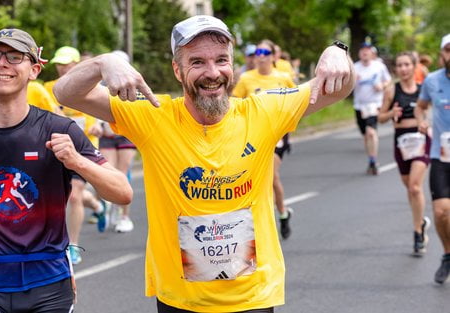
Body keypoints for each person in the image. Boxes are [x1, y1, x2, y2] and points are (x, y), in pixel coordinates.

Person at [53, 15, 354, 312]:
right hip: (181, 301)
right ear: (177, 70)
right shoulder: (153, 117)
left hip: (252, 298)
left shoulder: (263, 111)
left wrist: (338, 52)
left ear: (232, 65)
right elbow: (66, 93)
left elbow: (339, 88)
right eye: (197, 62)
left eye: (221, 60)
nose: (212, 72)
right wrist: (101, 63)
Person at [0, 28, 132, 312]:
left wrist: (77, 161)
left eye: (14, 57)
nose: (1, 63)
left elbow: (123, 192)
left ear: (34, 70)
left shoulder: (58, 129)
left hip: (48, 286)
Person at [44, 46, 106, 264]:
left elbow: (97, 112)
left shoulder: (88, 89)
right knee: (68, 196)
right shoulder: (48, 88)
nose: (62, 68)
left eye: (67, 64)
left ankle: (72, 246)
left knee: (75, 195)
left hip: (84, 148)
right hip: (56, 148)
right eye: (59, 64)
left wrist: (98, 125)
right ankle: (98, 207)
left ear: (77, 64)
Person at [232, 39, 295, 240]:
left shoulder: (283, 78)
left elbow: (296, 102)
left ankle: (277, 216)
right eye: (257, 52)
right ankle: (280, 214)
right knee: (259, 178)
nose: (260, 56)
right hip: (253, 135)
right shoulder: (246, 78)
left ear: (273, 56)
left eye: (265, 52)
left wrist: (287, 123)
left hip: (277, 134)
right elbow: (234, 104)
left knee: (270, 175)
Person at [378, 52, 431, 255]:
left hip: (420, 139)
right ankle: (421, 222)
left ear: (414, 66)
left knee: (415, 187)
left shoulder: (423, 89)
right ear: (396, 69)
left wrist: (426, 123)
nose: (403, 69)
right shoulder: (392, 91)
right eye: (399, 65)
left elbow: (434, 111)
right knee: (410, 188)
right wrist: (392, 114)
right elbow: (380, 117)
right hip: (401, 141)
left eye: (407, 64)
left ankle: (417, 233)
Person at [415, 33, 450, 284]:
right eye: (448, 50)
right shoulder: (432, 80)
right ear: (442, 54)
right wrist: (421, 121)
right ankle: (448, 254)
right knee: (441, 213)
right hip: (441, 154)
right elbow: (420, 106)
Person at [97, 50, 137, 233]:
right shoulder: (101, 84)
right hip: (107, 135)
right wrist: (98, 125)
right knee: (108, 173)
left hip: (126, 135)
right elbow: (93, 108)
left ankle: (124, 216)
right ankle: (110, 204)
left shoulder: (134, 83)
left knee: (123, 173)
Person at [353, 42, 391, 175]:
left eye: (367, 50)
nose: (365, 52)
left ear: (371, 53)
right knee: (365, 135)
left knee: (371, 132)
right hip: (359, 105)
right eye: (362, 50)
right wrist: (352, 82)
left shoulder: (379, 66)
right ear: (359, 53)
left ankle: (374, 161)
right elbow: (346, 87)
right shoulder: (354, 68)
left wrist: (382, 85)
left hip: (375, 104)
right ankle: (371, 159)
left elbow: (388, 81)